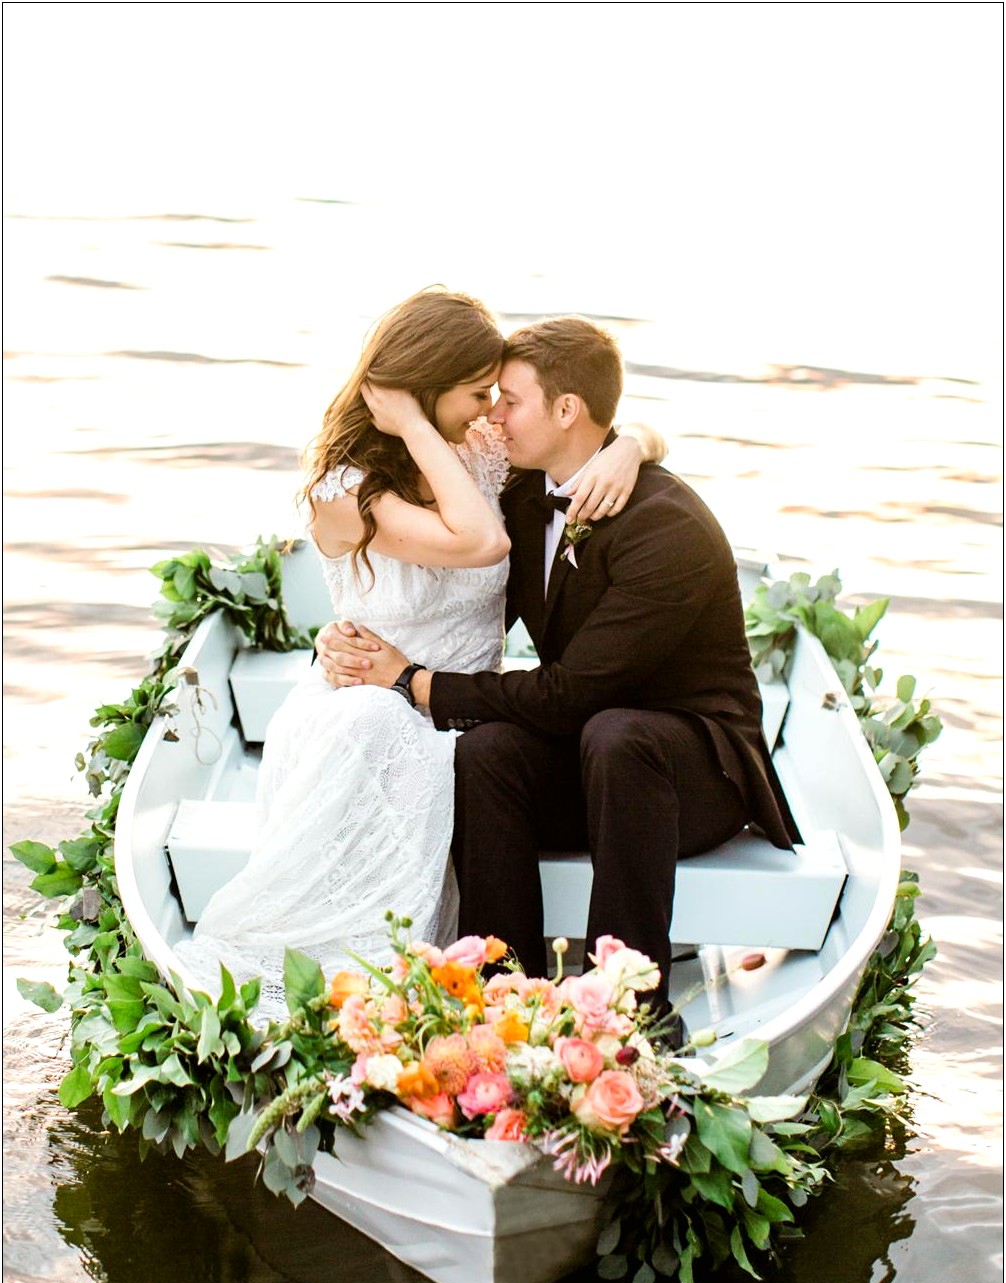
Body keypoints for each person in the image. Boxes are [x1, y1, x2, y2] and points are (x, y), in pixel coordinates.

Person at [178, 291, 663, 1015]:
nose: (489, 411)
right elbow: (482, 543)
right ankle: (349, 972)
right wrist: (407, 421)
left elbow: (597, 429)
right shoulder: (343, 491)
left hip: (464, 712)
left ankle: (494, 985)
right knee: (375, 723)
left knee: (469, 750)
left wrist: (633, 446)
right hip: (369, 707)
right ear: (426, 389)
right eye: (475, 394)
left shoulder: (486, 454)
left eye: (497, 395)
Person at [316, 316, 800, 1028]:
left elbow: (574, 692)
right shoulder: (520, 489)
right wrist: (347, 635)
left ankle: (625, 1009)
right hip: (591, 753)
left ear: (566, 410)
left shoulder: (670, 530)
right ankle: (506, 991)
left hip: (693, 776)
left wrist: (415, 682)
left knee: (617, 734)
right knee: (486, 752)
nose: (491, 414)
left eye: (508, 400)